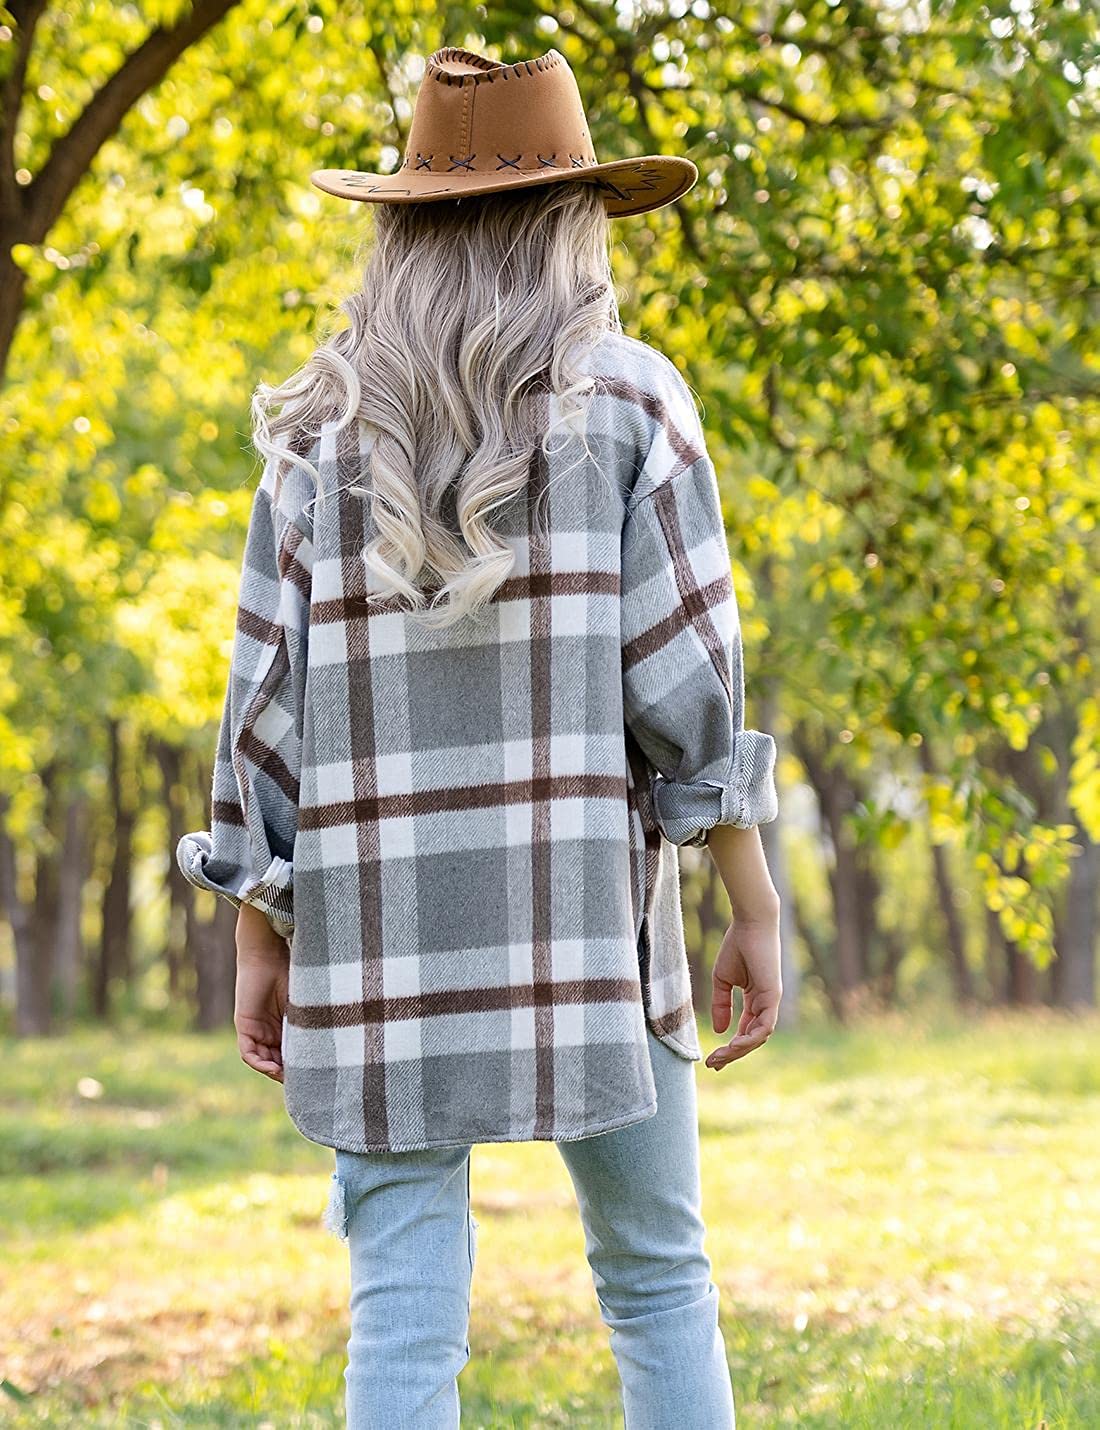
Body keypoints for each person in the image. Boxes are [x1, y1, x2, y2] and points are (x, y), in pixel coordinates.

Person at [177, 44, 782, 1429]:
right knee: (657, 1279)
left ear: (405, 227)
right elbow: (687, 686)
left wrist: (260, 931)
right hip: (594, 942)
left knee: (401, 1315)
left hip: (375, 950)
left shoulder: (319, 432)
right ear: (574, 222)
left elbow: (263, 711)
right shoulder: (632, 404)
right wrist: (751, 901)